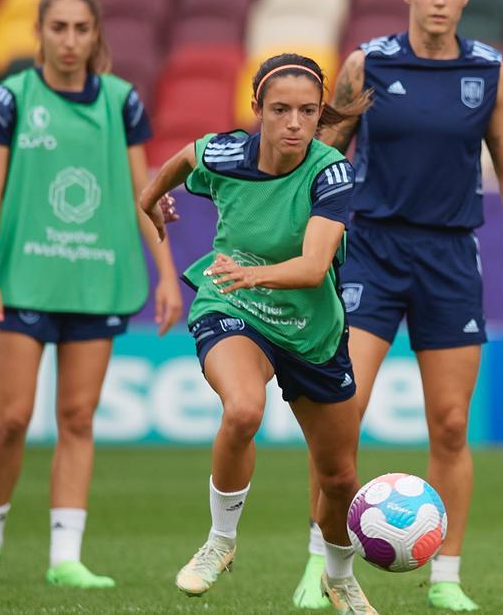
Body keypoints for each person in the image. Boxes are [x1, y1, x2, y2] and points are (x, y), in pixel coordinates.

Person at [288, 0, 503, 610]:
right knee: (340, 420)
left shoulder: (489, 72)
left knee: (453, 424)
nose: (437, 1)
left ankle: (447, 576)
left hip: (451, 257)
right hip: (370, 251)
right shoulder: (366, 65)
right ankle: (322, 564)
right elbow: (322, 159)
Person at [0, 0, 182, 589]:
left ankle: (65, 557)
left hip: (96, 277)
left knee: (78, 417)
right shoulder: (12, 98)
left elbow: (146, 193)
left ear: (96, 34)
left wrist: (166, 275)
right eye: (59, 27)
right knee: (12, 417)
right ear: (40, 32)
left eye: (82, 28)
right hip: (23, 278)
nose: (70, 40)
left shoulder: (121, 101)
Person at [139, 53, 378, 614]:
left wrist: (255, 272)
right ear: (256, 110)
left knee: (340, 477)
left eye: (307, 111)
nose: (294, 122)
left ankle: (338, 578)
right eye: (280, 110)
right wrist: (149, 202)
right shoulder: (224, 152)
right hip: (231, 304)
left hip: (311, 329)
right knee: (243, 409)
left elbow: (315, 266)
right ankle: (220, 542)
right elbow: (181, 158)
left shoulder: (329, 172)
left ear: (320, 114)